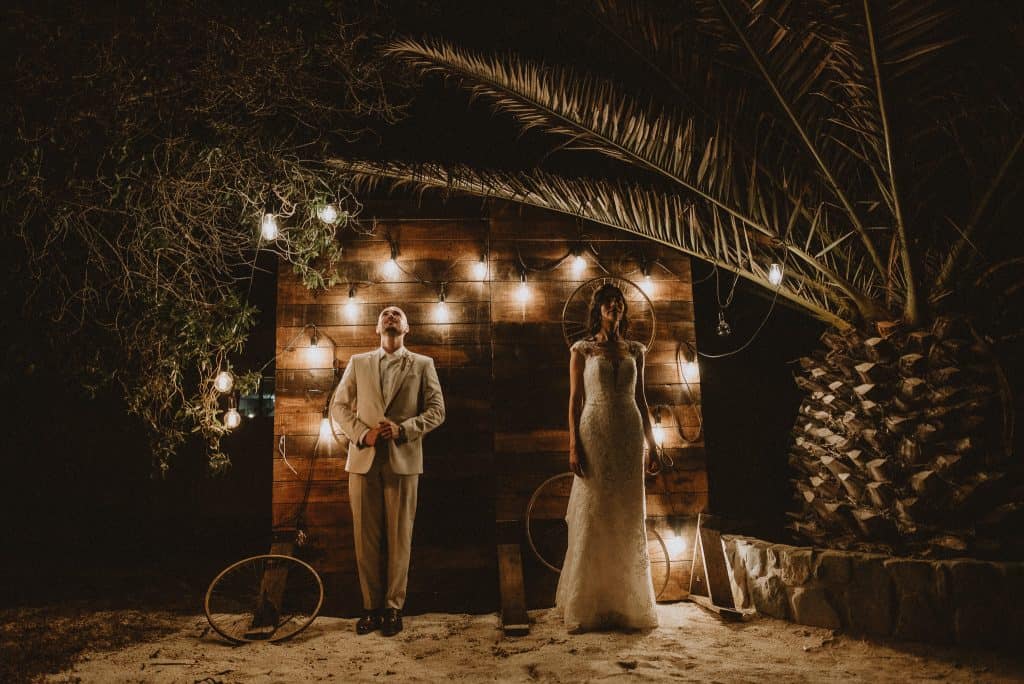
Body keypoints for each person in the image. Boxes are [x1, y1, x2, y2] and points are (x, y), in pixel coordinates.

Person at [330, 305, 445, 636]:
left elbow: (438, 411)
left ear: (407, 328)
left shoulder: (423, 364)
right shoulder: (358, 362)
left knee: (400, 538)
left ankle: (393, 609)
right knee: (364, 538)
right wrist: (361, 434)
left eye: (397, 315)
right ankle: (370, 607)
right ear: (376, 328)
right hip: (363, 460)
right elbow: (338, 406)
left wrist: (404, 429)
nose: (391, 317)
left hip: (404, 460)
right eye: (385, 315)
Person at [556, 283, 660, 632]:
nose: (614, 307)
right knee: (596, 510)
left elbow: (642, 400)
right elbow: (573, 402)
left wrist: (654, 444)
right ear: (598, 309)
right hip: (594, 430)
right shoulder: (582, 350)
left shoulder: (636, 350)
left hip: (629, 434)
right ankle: (588, 605)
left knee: (627, 512)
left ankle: (626, 604)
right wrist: (573, 446)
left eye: (619, 303)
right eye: (608, 303)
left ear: (623, 311)